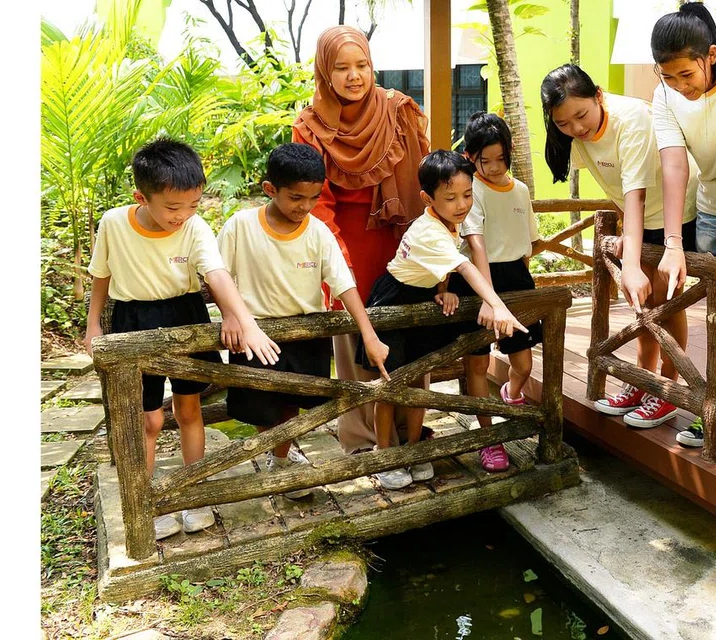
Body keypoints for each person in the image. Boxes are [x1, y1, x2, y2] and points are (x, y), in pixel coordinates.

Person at [84, 138, 278, 540]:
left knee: (190, 410)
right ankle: (148, 500)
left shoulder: (194, 227)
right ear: (142, 196)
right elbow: (100, 275)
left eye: (193, 204)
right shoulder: (114, 223)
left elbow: (216, 274)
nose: (183, 215)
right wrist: (93, 326)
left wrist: (243, 319)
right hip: (133, 319)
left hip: (184, 314)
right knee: (148, 419)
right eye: (173, 207)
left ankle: (193, 493)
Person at [216, 143, 390, 498]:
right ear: (270, 189)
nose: (305, 207)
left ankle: (280, 460)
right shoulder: (240, 226)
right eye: (296, 197)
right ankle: (279, 454)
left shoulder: (317, 231)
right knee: (262, 405)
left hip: (306, 331)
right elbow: (217, 275)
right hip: (256, 331)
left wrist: (369, 335)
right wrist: (231, 317)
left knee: (292, 402)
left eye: (312, 198)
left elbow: (344, 285)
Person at [293, 25, 431, 455]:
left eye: (362, 65)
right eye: (342, 67)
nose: (355, 76)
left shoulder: (398, 110)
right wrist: (339, 263)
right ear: (324, 71)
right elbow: (316, 203)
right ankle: (365, 442)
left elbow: (422, 178)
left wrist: (429, 247)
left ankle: (411, 433)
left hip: (402, 244)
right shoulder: (311, 127)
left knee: (410, 339)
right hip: (343, 249)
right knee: (353, 347)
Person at [356, 150, 529, 490]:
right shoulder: (428, 232)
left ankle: (416, 446)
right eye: (450, 197)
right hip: (393, 299)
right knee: (391, 384)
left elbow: (445, 264)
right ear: (428, 198)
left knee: (420, 377)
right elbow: (464, 264)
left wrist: (443, 287)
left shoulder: (447, 222)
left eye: (467, 195)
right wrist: (497, 306)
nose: (461, 204)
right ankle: (383, 452)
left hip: (421, 295)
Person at [540, 64, 699, 430]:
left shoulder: (631, 120)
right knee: (643, 302)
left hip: (675, 211)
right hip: (640, 218)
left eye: (581, 115)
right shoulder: (575, 133)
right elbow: (616, 188)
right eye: (564, 124)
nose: (576, 129)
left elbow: (637, 195)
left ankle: (667, 388)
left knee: (664, 297)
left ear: (598, 94)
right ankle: (645, 380)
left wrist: (629, 262)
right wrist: (629, 232)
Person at [651, 0, 716, 450]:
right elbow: (674, 166)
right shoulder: (665, 93)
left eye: (685, 75)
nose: (677, 86)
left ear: (710, 55)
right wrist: (673, 243)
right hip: (710, 208)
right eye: (666, 76)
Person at [445, 112, 543, 471]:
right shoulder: (471, 190)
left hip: (515, 278)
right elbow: (477, 245)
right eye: (485, 160)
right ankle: (488, 439)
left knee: (523, 363)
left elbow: (530, 242)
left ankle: (511, 396)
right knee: (477, 363)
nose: (494, 167)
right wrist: (489, 298)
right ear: (471, 157)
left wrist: (521, 279)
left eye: (501, 159)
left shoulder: (520, 190)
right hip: (477, 280)